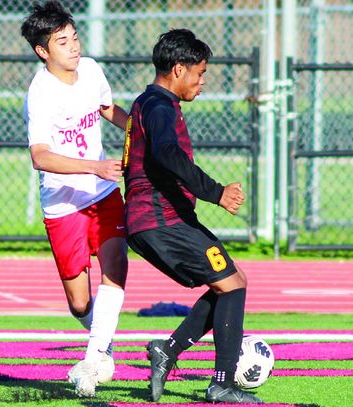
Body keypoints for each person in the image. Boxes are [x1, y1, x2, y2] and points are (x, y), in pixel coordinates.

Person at [122, 29, 263, 404]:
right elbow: (167, 153)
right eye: (199, 73)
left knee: (231, 281)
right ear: (178, 69)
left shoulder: (151, 103)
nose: (202, 82)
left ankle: (168, 350)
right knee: (231, 284)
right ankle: (221, 384)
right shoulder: (159, 105)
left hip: (162, 219)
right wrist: (216, 192)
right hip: (159, 219)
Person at [21, 0, 128, 398]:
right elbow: (40, 157)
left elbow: (107, 108)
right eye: (62, 41)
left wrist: (140, 125)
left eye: (75, 36)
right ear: (43, 51)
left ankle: (93, 357)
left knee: (116, 268)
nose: (73, 46)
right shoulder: (41, 92)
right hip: (63, 203)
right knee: (80, 303)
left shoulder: (93, 70)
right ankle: (104, 345)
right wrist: (93, 166)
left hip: (103, 194)